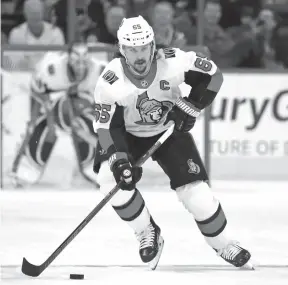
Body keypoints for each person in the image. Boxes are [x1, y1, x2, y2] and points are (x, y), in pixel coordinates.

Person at [93, 16, 253, 270]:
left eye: (144, 47)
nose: (139, 55)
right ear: (122, 50)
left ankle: (223, 244)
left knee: (199, 197)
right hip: (128, 136)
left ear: (153, 45)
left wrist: (192, 105)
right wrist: (120, 159)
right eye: (132, 49)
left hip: (168, 132)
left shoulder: (174, 61)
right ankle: (147, 232)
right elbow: (106, 127)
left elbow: (213, 75)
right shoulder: (110, 80)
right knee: (108, 179)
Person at [10, 44, 105, 187]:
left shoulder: (101, 71)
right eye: (75, 62)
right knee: (43, 129)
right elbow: (37, 92)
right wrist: (44, 121)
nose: (80, 67)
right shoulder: (52, 70)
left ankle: (97, 167)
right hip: (52, 103)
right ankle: (29, 164)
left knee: (92, 124)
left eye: (83, 62)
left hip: (83, 106)